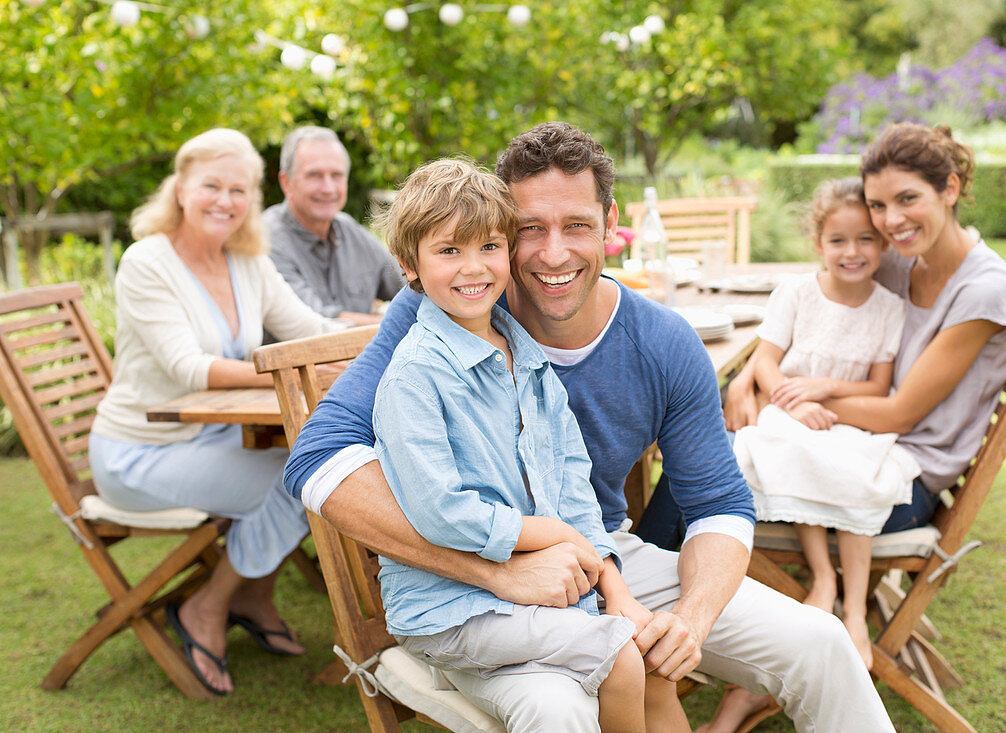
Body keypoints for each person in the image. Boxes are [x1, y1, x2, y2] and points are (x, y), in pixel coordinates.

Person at [283, 122, 892, 732]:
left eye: (576, 225)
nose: (553, 253)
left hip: (595, 549)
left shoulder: (661, 342)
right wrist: (500, 571)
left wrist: (693, 619)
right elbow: (319, 461)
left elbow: (718, 504)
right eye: (529, 230)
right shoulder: (443, 314)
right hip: (466, 581)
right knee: (563, 704)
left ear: (610, 222)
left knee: (821, 640)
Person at [714, 122, 1006, 729]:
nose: (888, 221)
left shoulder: (984, 289)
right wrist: (749, 379)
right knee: (713, 460)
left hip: (905, 481)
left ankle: (725, 649)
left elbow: (900, 410)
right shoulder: (902, 264)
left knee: (703, 482)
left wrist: (792, 404)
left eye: (907, 199)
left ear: (951, 188)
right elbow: (818, 312)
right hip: (852, 448)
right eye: (878, 204)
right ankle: (762, 646)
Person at [373, 157, 687, 732]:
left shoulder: (528, 358)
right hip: (452, 609)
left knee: (652, 655)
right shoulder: (413, 377)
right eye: (449, 252)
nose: (474, 269)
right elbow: (443, 513)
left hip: (540, 592)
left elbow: (572, 484)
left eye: (489, 246)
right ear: (407, 263)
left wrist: (613, 586)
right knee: (624, 655)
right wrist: (558, 538)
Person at [89, 128, 339, 695]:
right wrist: (294, 366)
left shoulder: (247, 261)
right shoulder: (146, 262)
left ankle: (252, 593)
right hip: (143, 454)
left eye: (238, 189)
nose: (224, 200)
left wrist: (384, 342)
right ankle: (211, 605)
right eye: (211, 185)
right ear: (179, 188)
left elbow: (313, 330)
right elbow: (188, 367)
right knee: (298, 475)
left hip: (216, 440)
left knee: (319, 459)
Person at [733, 177, 917, 671]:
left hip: (847, 420)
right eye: (838, 240)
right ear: (818, 244)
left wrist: (825, 389)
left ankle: (854, 610)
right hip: (790, 415)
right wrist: (793, 402)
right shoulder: (796, 292)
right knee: (797, 452)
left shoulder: (889, 308)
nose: (851, 252)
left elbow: (879, 388)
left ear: (882, 244)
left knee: (854, 468)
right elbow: (767, 363)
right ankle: (823, 578)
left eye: (865, 240)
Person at [264, 126, 405, 326]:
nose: (328, 188)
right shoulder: (266, 239)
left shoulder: (350, 230)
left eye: (337, 175)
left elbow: (409, 282)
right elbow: (316, 320)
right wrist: (395, 325)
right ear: (286, 182)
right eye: (314, 175)